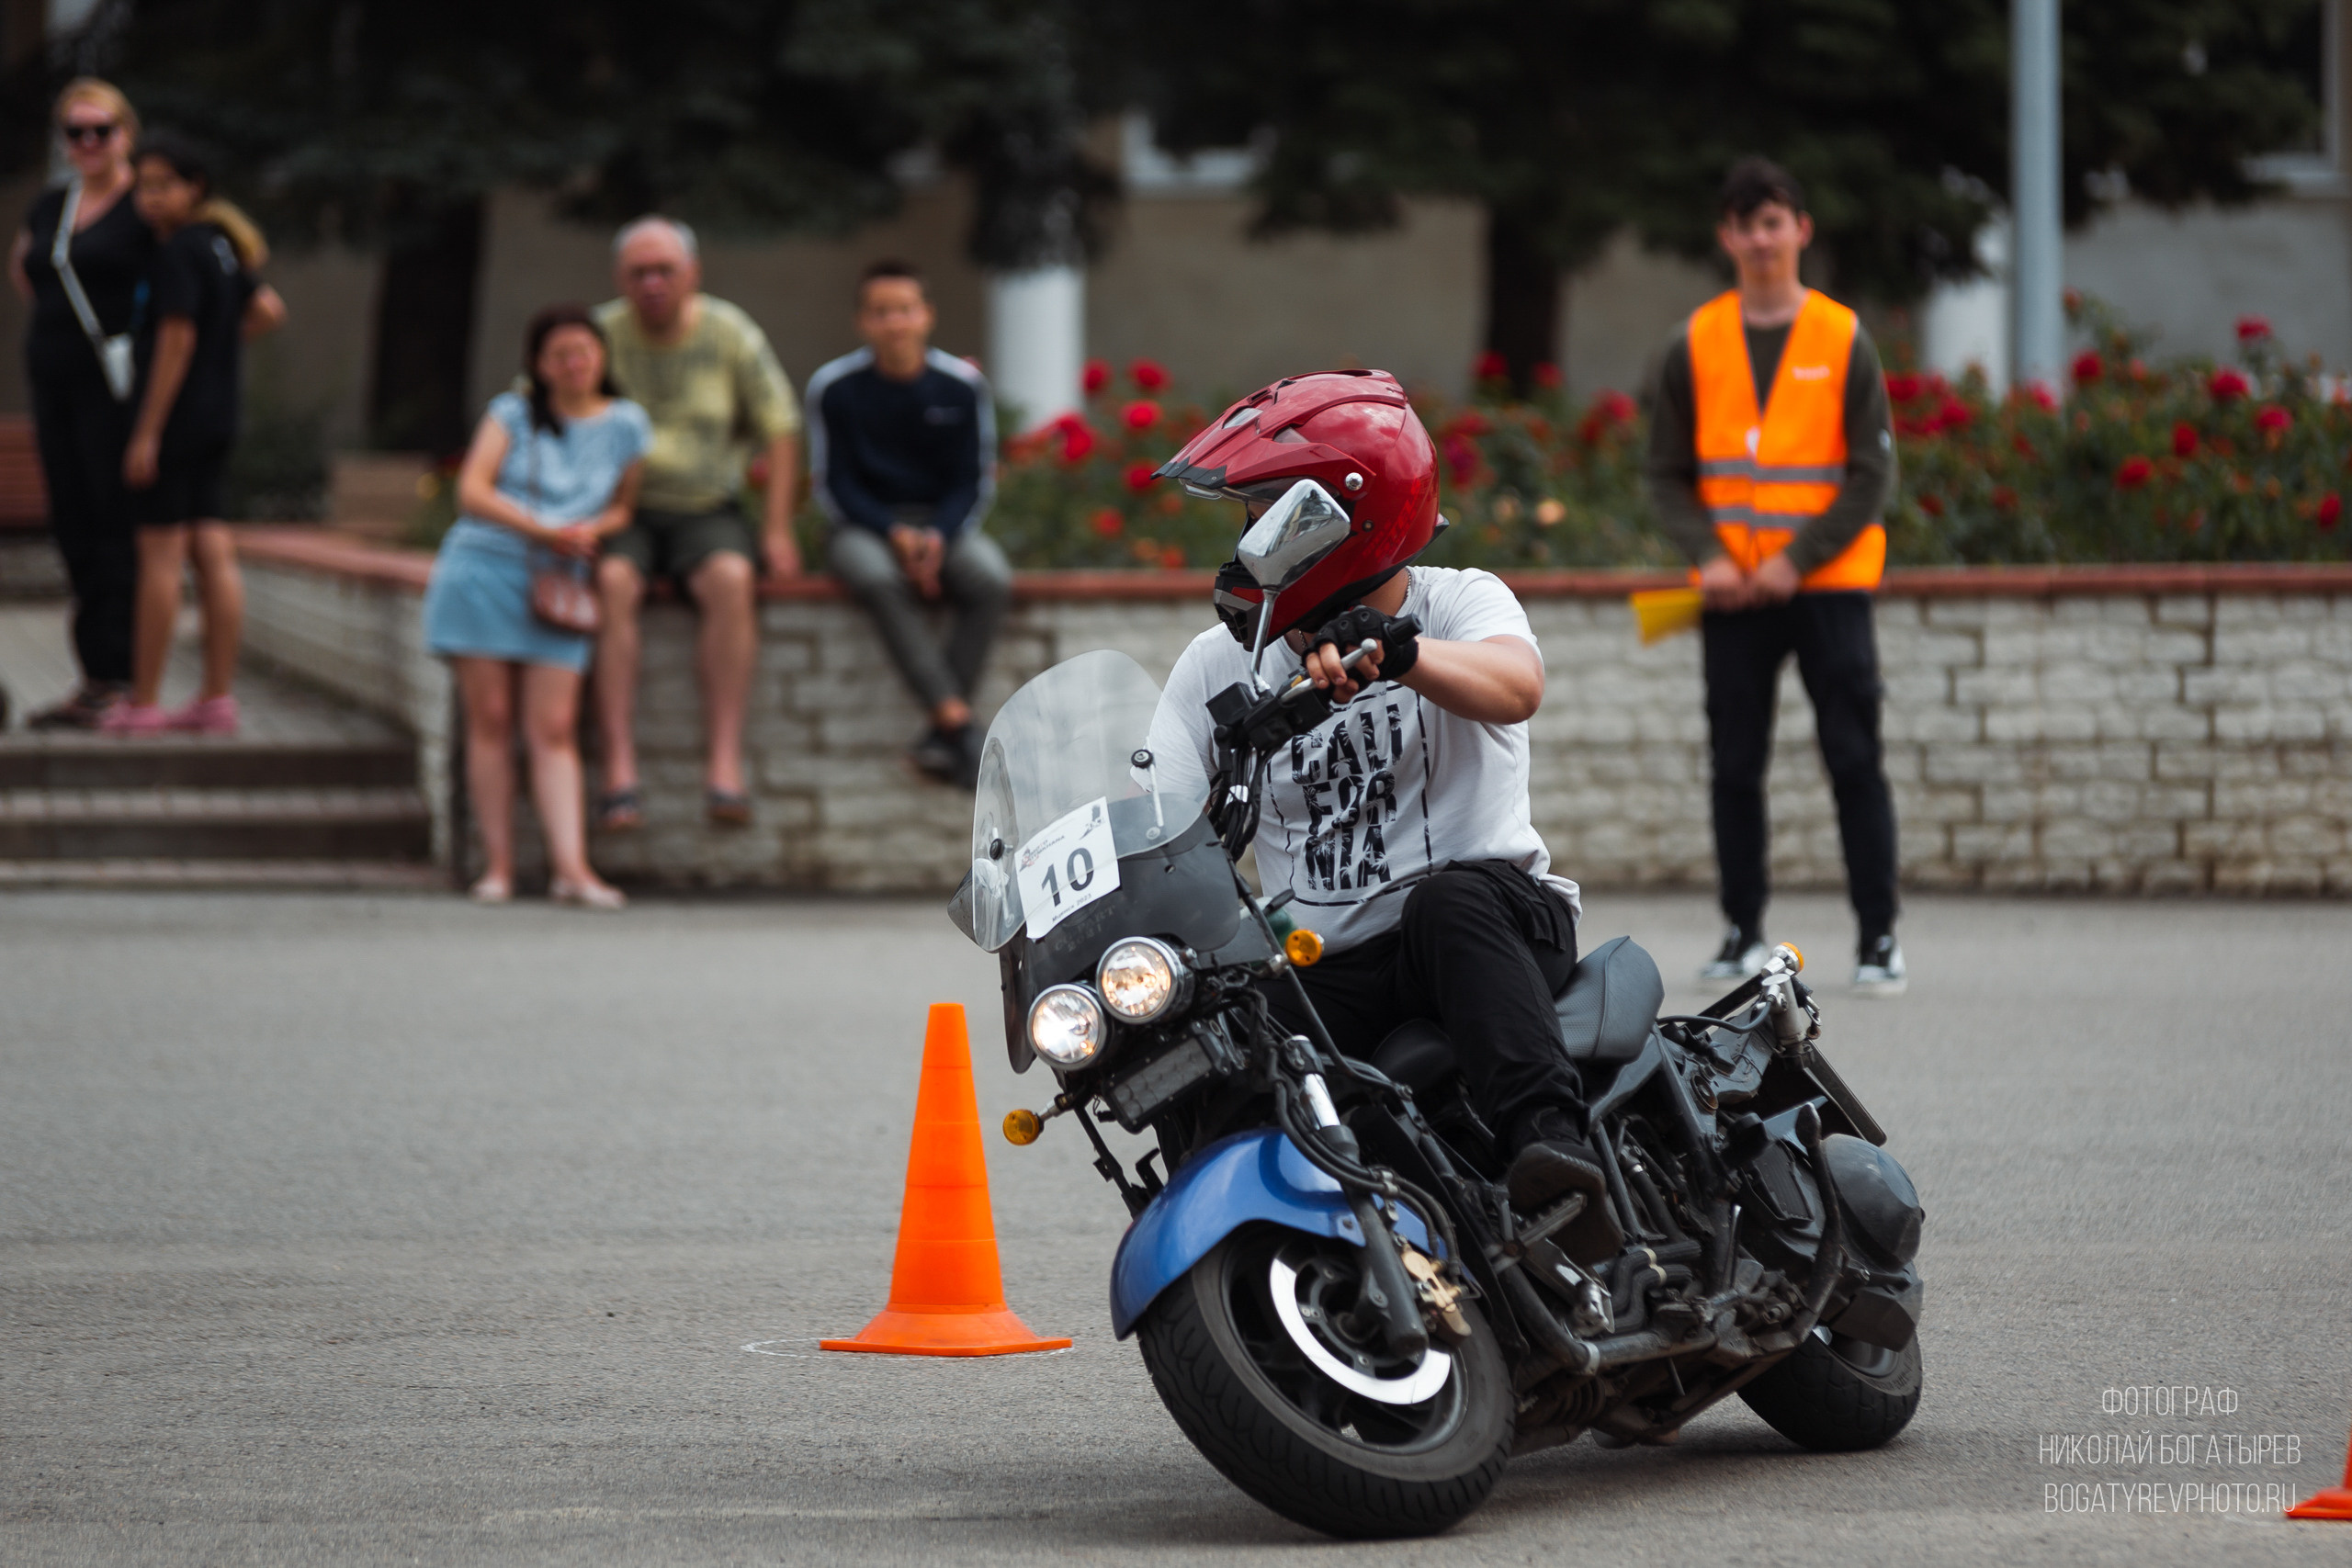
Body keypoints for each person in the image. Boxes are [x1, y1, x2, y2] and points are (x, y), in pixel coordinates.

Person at [1145, 368, 1622, 1266]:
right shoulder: (1216, 665)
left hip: (1492, 928)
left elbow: (1516, 687)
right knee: (1215, 1030)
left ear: (1349, 522)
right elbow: (1156, 818)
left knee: (1449, 903)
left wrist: (1401, 653)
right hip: (1333, 961)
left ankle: (1554, 1155)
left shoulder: (1457, 600)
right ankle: (1259, 1265)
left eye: (1268, 518)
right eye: (1245, 519)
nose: (1246, 544)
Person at [1644, 157, 1905, 997]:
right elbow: (1665, 472)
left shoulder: (1842, 337)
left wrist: (1796, 560)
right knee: (1734, 763)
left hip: (1825, 589)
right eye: (1744, 223)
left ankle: (1879, 938)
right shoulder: (1696, 341)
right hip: (1731, 594)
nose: (1760, 237)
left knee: (1854, 757)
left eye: (1774, 221)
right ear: (1725, 236)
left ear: (1801, 230)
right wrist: (1713, 556)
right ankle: (1741, 931)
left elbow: (1872, 477)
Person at [422, 306, 649, 910]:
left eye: (584, 351)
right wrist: (544, 529)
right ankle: (498, 866)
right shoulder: (511, 413)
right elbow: (472, 491)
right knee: (490, 719)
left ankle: (571, 867)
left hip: (560, 581)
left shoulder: (628, 423)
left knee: (553, 727)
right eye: (560, 355)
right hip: (486, 569)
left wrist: (586, 529)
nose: (574, 364)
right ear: (539, 365)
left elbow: (626, 505)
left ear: (602, 355)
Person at [590, 217, 800, 831]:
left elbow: (781, 427)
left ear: (693, 274)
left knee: (733, 579)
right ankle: (619, 770)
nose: (653, 283)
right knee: (613, 584)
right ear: (619, 279)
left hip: (707, 507)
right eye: (639, 272)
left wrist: (779, 528)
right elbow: (538, 407)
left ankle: (724, 764)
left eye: (665, 270)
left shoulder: (730, 331)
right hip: (619, 510)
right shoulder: (598, 334)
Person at [101, 132, 287, 737]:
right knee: (212, 547)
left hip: (177, 422)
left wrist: (146, 431)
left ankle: (147, 700)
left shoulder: (179, 250)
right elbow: (268, 310)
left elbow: (176, 339)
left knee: (159, 554)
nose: (151, 199)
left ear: (194, 187)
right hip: (219, 416)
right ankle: (215, 698)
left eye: (163, 186)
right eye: (144, 187)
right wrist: (219, 353)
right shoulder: (223, 246)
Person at [807, 260, 1008, 788]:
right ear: (861, 321)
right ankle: (955, 719)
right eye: (880, 312)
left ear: (927, 316)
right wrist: (891, 533)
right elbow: (834, 483)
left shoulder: (962, 387)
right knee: (875, 577)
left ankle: (944, 734)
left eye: (904, 310)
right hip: (863, 526)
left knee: (990, 578)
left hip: (943, 524)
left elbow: (972, 479)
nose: (894, 322)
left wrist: (938, 534)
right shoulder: (834, 387)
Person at [6, 79, 153, 729]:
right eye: (76, 132)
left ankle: (122, 673)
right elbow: (28, 271)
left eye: (102, 130)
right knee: (72, 524)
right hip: (54, 385)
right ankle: (93, 675)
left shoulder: (144, 206)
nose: (89, 143)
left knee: (111, 524)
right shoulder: (52, 205)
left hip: (113, 391)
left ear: (127, 133)